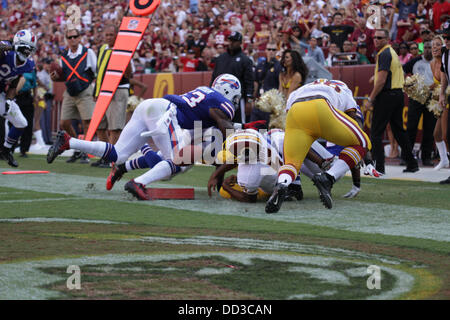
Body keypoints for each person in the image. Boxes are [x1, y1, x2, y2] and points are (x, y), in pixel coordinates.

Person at [47, 74, 265, 199]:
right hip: (166, 114)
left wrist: (242, 126)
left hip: (152, 106)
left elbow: (212, 120)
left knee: (118, 155)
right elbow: (222, 124)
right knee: (178, 161)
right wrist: (236, 149)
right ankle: (139, 182)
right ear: (230, 92)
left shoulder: (208, 94)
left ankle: (68, 141)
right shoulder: (223, 104)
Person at [265, 79, 372, 213]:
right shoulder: (344, 90)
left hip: (295, 112)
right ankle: (328, 178)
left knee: (291, 162)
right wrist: (366, 159)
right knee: (363, 142)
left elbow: (289, 116)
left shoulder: (300, 90)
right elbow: (355, 124)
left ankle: (281, 185)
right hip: (321, 107)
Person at [367, 28, 419, 175]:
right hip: (397, 95)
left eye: (379, 38)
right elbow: (396, 73)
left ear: (387, 39)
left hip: (387, 95)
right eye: (374, 37)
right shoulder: (391, 52)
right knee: (399, 131)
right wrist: (375, 77)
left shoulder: (384, 53)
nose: (376, 40)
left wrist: (371, 98)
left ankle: (379, 168)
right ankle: (412, 163)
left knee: (376, 132)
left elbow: (382, 80)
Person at [50, 28, 97, 164]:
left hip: (85, 90)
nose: (72, 39)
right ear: (66, 39)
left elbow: (95, 71)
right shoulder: (64, 56)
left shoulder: (88, 53)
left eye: (75, 36)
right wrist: (55, 78)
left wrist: (95, 90)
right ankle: (77, 147)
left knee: (87, 122)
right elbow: (63, 76)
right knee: (64, 122)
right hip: (70, 92)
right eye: (69, 37)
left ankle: (85, 152)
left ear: (79, 38)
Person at [92, 24, 132, 168]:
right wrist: (96, 91)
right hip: (103, 90)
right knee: (100, 126)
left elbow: (129, 74)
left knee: (115, 127)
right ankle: (105, 156)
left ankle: (113, 159)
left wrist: (125, 57)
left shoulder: (124, 48)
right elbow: (99, 71)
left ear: (117, 35)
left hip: (118, 89)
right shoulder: (102, 49)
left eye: (111, 35)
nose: (108, 37)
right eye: (107, 35)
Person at [0, 29, 37, 168]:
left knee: (21, 122)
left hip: (1, 93)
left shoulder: (28, 64)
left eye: (30, 49)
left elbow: (14, 84)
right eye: (25, 48)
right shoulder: (6, 50)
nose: (27, 52)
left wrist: (9, 99)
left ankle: (6, 149)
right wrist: (14, 47)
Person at [402, 40, 436, 167]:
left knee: (429, 128)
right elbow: (402, 70)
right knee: (411, 127)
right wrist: (408, 83)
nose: (428, 49)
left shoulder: (437, 62)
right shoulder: (416, 61)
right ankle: (406, 157)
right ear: (423, 49)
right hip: (416, 98)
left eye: (430, 47)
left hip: (431, 99)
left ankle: (426, 157)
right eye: (426, 47)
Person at [211, 31, 254, 124]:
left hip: (237, 100)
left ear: (240, 43)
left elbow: (249, 82)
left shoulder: (245, 60)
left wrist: (249, 101)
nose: (231, 43)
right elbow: (214, 78)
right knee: (220, 124)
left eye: (234, 41)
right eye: (230, 40)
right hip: (219, 99)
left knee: (238, 125)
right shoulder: (220, 58)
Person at [251, 42, 282, 124]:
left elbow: (280, 85)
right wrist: (253, 98)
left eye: (273, 49)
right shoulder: (260, 64)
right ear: (265, 50)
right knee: (256, 125)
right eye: (269, 49)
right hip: (259, 100)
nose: (271, 51)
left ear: (276, 51)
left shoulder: (279, 66)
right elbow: (256, 82)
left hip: (271, 102)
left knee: (267, 127)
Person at [430, 35, 449, 171]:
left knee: (445, 134)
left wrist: (441, 95)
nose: (434, 47)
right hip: (442, 98)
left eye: (437, 44)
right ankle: (444, 160)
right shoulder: (432, 64)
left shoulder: (445, 60)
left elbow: (445, 82)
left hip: (447, 98)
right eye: (432, 45)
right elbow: (437, 84)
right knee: (437, 134)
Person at [438, 21, 450, 184]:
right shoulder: (444, 53)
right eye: (445, 38)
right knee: (447, 134)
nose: (446, 41)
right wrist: (441, 93)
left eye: (449, 38)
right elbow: (444, 75)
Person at [16, 71, 38, 157]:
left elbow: (35, 85)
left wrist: (35, 97)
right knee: (13, 123)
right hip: (16, 96)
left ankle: (24, 149)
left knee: (28, 124)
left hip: (27, 96)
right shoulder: (17, 68)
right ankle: (10, 147)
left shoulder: (31, 69)